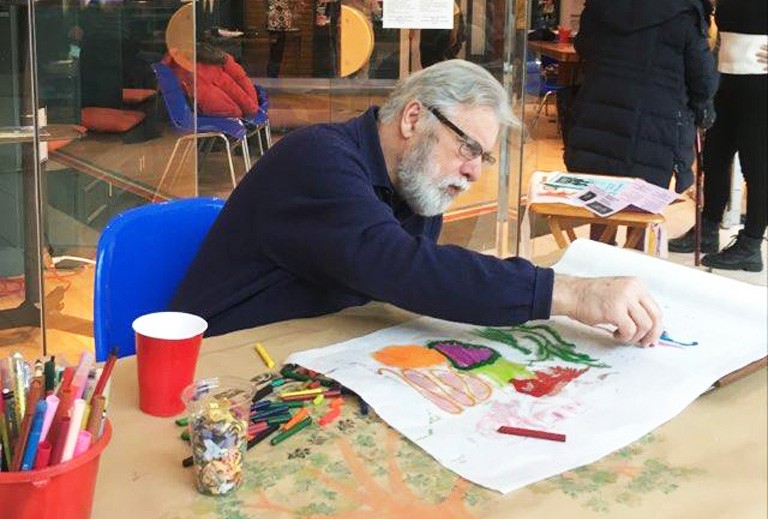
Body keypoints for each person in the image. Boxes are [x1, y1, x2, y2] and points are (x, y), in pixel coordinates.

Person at [171, 60, 663, 346]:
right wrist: (571, 294)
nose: (474, 171)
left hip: (308, 354)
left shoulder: (411, 183)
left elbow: (415, 283)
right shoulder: (317, 161)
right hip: (217, 373)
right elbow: (405, 269)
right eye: (469, 148)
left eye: (484, 158)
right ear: (412, 119)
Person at [563, 0, 718, 243]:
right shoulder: (684, 12)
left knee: (601, 199)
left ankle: (598, 260)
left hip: (600, 113)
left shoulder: (599, 6)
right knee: (641, 204)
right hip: (656, 125)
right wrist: (703, 110)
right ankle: (632, 261)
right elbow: (702, 75)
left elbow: (584, 46)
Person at [669, 0, 767, 272]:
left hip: (760, 88)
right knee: (715, 160)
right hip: (724, 82)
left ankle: (751, 246)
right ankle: (708, 230)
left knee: (757, 169)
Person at [163, 43, 259, 118]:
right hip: (225, 116)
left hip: (214, 114)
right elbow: (241, 100)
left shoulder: (195, 70)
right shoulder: (214, 70)